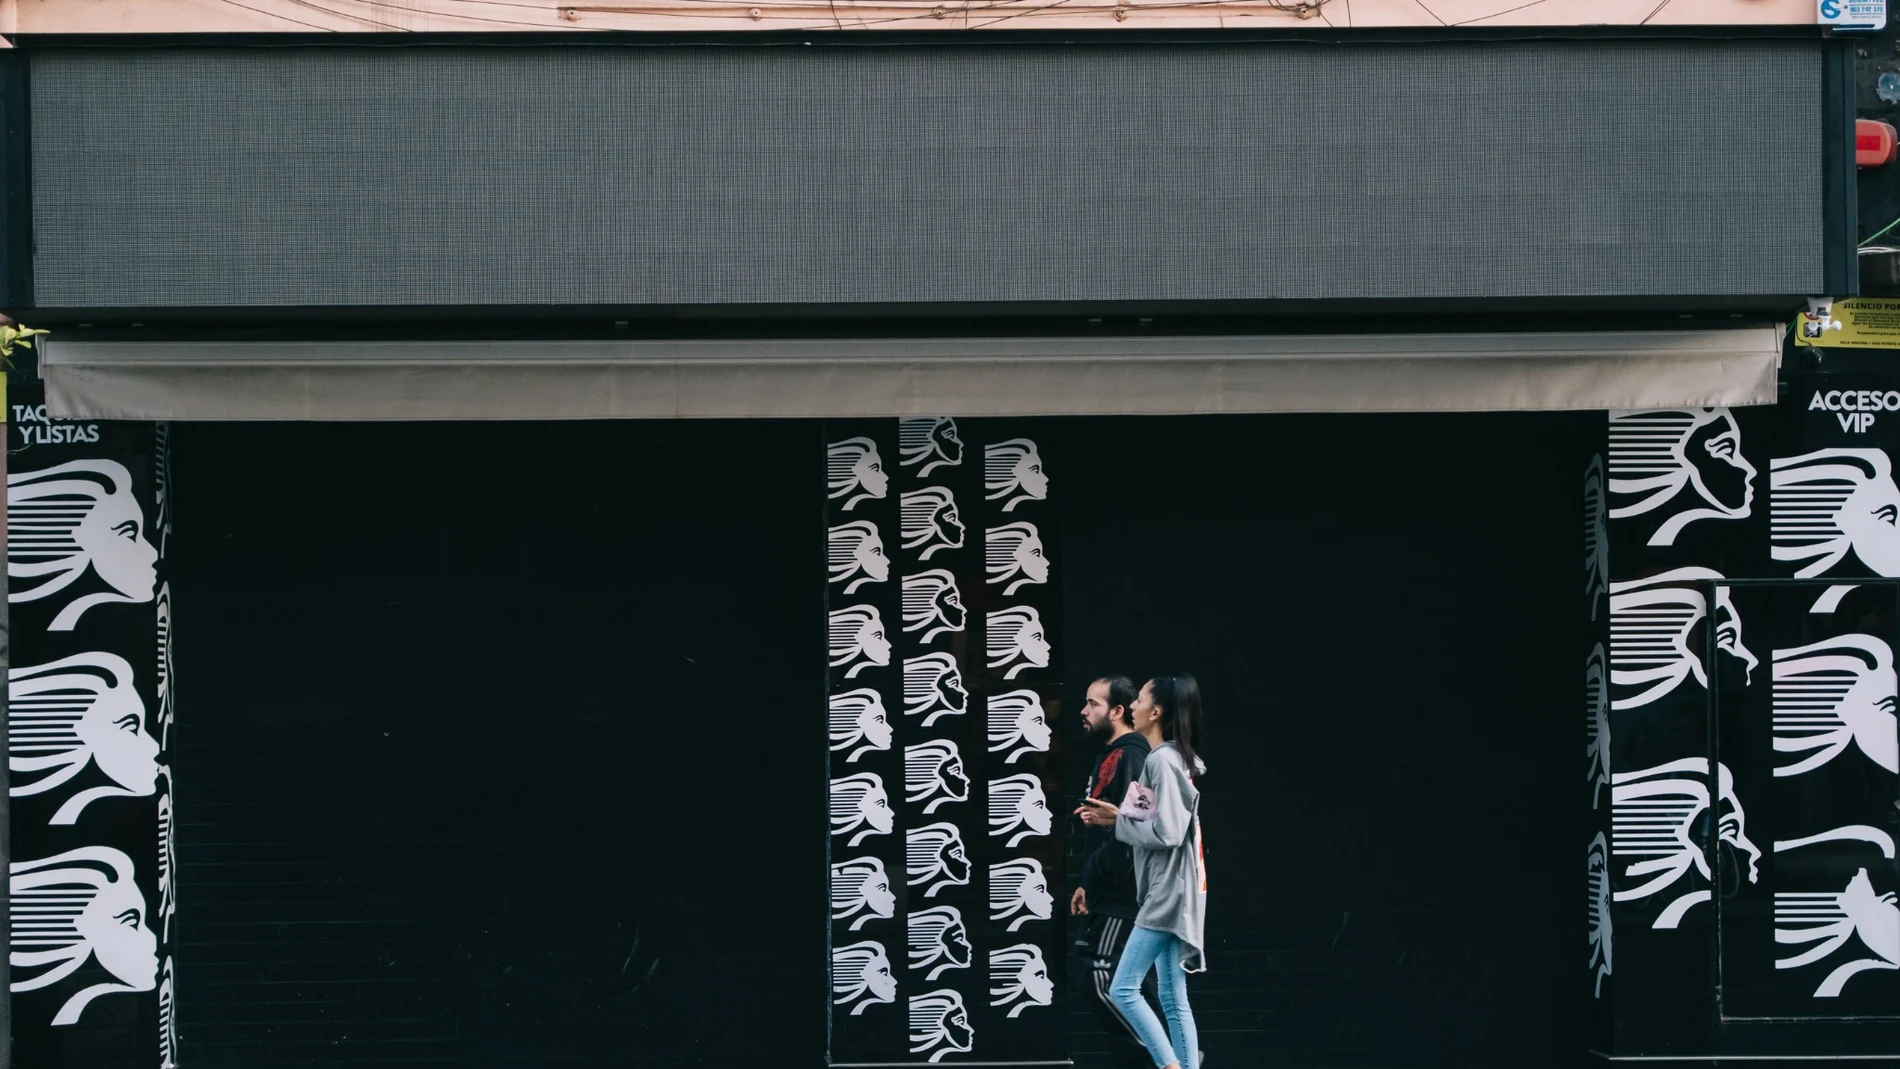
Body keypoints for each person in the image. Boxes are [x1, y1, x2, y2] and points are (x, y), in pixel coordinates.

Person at [1078, 674, 1207, 1069]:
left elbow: (1166, 832)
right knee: (1171, 995)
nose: (1132, 705)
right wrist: (1117, 817)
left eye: (1141, 700)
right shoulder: (1168, 758)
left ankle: (1168, 1067)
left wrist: (1116, 823)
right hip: (1175, 888)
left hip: (1165, 893)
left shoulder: (1161, 760)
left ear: (1156, 711)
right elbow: (1149, 820)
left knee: (1123, 988)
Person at [1071, 676, 1157, 1069]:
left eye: (1093, 704)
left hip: (1125, 895)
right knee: (1135, 988)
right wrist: (1087, 884)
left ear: (1117, 711)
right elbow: (1105, 827)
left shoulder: (1133, 757)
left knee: (1100, 979)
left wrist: (1105, 878)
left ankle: (1164, 1058)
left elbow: (1138, 824)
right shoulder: (1111, 755)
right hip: (1108, 890)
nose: (1083, 711)